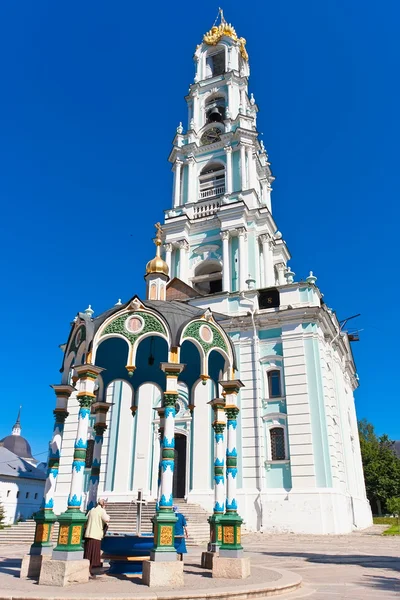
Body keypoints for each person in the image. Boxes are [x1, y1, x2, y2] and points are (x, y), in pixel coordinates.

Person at [83, 499, 110, 574]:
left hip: (88, 534)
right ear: (103, 505)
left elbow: (86, 519)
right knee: (93, 553)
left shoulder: (91, 510)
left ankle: (86, 569)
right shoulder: (101, 511)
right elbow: (107, 519)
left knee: (88, 553)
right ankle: (91, 569)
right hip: (96, 534)